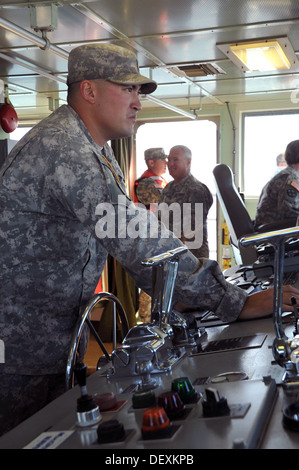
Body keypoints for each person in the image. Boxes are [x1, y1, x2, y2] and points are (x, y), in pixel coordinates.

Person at [0, 43, 298, 437]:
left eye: (140, 91)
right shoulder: (65, 149)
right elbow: (135, 238)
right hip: (21, 348)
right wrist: (232, 301)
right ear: (89, 91)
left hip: (49, 344)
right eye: (128, 89)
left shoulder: (90, 147)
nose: (138, 102)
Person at [134, 147, 168, 322]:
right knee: (150, 284)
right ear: (151, 162)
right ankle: (145, 323)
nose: (166, 163)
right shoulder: (145, 183)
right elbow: (163, 203)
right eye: (162, 159)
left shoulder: (160, 181)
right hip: (148, 238)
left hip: (160, 236)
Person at [161, 145, 213, 258]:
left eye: (175, 160)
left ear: (188, 162)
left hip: (191, 256)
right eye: (169, 160)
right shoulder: (168, 188)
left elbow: (192, 231)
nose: (170, 164)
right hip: (170, 253)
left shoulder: (197, 189)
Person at [255, 140, 299, 228]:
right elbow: (287, 211)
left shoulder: (289, 174)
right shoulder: (290, 178)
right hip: (272, 229)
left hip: (271, 226)